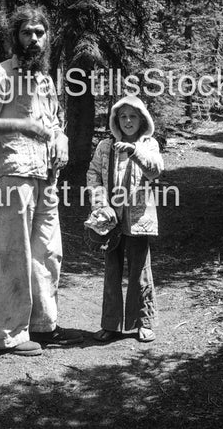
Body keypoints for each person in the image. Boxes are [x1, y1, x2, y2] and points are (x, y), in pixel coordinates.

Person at [0, 5, 83, 356]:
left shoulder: (45, 79)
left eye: (39, 32)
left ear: (47, 38)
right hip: (14, 173)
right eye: (26, 32)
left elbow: (55, 121)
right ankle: (6, 335)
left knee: (48, 251)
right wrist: (22, 126)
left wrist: (60, 140)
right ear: (15, 37)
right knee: (13, 252)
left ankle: (42, 326)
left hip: (47, 174)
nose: (34, 38)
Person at [86, 95, 163, 343]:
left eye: (133, 116)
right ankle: (111, 324)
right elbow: (93, 174)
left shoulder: (149, 144)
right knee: (111, 270)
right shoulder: (104, 146)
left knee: (140, 270)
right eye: (123, 116)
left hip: (139, 219)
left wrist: (135, 152)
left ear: (142, 119)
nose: (128, 121)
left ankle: (144, 322)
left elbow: (155, 169)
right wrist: (100, 204)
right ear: (116, 120)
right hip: (110, 220)